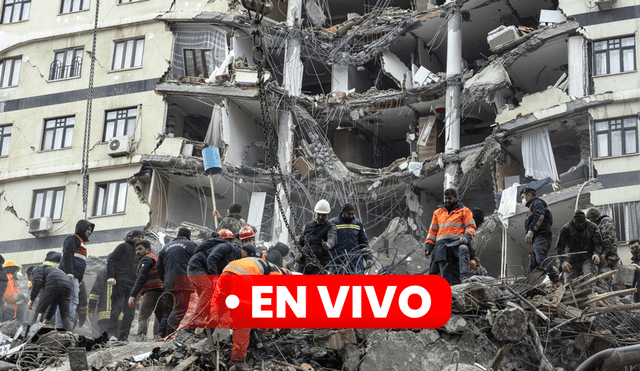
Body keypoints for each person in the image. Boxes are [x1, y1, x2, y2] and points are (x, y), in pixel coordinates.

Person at [215, 249, 288, 370]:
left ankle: (212, 336)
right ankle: (237, 360)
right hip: (242, 278)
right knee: (243, 320)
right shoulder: (276, 272)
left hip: (227, 271)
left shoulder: (262, 264)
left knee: (221, 306)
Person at [424, 188, 476, 285]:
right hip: (441, 246)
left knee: (463, 249)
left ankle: (465, 278)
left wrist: (466, 237)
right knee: (444, 272)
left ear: (456, 198)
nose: (447, 200)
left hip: (457, 243)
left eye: (450, 198)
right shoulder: (437, 213)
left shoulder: (464, 211)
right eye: (446, 198)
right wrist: (428, 246)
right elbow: (432, 231)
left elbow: (471, 226)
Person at [157, 227, 196, 337]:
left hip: (168, 283)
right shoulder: (191, 245)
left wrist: (165, 280)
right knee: (179, 309)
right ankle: (170, 334)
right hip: (183, 282)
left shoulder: (165, 248)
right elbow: (197, 262)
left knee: (168, 310)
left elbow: (159, 267)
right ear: (188, 236)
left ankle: (162, 334)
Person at [106, 230, 144, 341]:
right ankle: (111, 334)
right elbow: (112, 260)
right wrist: (111, 276)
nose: (141, 239)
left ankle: (124, 336)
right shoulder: (122, 247)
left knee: (130, 313)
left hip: (132, 286)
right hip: (120, 282)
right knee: (116, 308)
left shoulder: (139, 253)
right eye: (138, 237)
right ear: (132, 237)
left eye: (142, 237)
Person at [58, 219, 95, 328]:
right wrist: (69, 273)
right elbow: (67, 256)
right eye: (88, 229)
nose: (89, 232)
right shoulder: (73, 239)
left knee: (68, 301)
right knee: (72, 301)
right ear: (81, 228)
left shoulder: (81, 243)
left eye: (90, 230)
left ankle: (62, 327)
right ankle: (66, 326)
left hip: (74, 277)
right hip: (70, 277)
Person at [128, 240, 166, 340]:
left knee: (143, 316)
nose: (137, 252)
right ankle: (165, 337)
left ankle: (141, 337)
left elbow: (141, 278)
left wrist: (133, 294)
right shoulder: (155, 258)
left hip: (150, 292)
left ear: (147, 249)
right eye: (136, 250)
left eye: (140, 249)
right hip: (161, 292)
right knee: (162, 317)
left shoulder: (146, 259)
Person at [521, 188, 558, 283]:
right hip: (537, 238)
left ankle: (555, 277)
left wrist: (531, 231)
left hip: (541, 236)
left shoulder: (537, 202)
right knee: (532, 264)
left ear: (529, 195)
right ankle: (530, 285)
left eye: (523, 197)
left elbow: (540, 216)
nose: (523, 199)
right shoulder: (532, 206)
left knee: (540, 258)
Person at [556, 210, 602, 284]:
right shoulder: (566, 229)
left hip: (588, 258)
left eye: (582, 224)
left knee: (589, 276)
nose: (580, 226)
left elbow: (598, 243)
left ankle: (591, 291)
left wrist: (596, 254)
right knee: (569, 285)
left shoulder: (592, 227)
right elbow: (559, 247)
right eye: (578, 224)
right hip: (572, 260)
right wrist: (563, 261)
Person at [27, 263, 73, 331]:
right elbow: (54, 302)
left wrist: (32, 299)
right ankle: (70, 337)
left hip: (54, 282)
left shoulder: (36, 268)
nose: (32, 282)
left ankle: (32, 334)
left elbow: (38, 281)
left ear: (31, 274)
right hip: (67, 286)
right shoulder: (50, 271)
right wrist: (48, 318)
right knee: (65, 316)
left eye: (30, 280)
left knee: (40, 310)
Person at [329, 203, 371, 275]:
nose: (351, 216)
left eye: (353, 214)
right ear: (343, 212)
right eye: (349, 214)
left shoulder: (358, 224)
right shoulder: (333, 224)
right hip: (338, 262)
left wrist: (368, 257)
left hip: (356, 262)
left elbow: (364, 243)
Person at [297, 199, 337, 275]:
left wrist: (328, 245)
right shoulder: (307, 226)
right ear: (315, 213)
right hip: (304, 264)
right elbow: (300, 243)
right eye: (319, 214)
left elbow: (332, 238)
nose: (321, 217)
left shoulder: (331, 227)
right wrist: (297, 253)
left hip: (319, 265)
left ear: (328, 215)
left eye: (324, 215)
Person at [586, 208, 620, 284]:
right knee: (601, 279)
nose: (590, 220)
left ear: (594, 216)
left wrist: (604, 253)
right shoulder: (597, 224)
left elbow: (608, 238)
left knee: (604, 280)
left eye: (590, 218)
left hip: (609, 256)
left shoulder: (605, 221)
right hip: (603, 256)